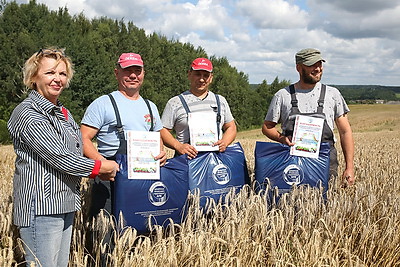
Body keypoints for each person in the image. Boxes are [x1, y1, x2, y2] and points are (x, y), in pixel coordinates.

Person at [7, 47, 118, 267]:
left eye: (62, 74)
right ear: (33, 77)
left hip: (64, 202)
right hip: (40, 207)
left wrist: (99, 168)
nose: (57, 79)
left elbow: (75, 149)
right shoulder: (28, 113)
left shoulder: (62, 112)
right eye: (50, 73)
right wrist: (100, 167)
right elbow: (61, 157)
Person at [80, 52, 166, 218]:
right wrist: (102, 164)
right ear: (116, 72)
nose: (133, 75)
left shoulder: (151, 106)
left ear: (143, 73)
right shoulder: (102, 104)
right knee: (105, 232)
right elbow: (83, 138)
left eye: (137, 71)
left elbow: (157, 137)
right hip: (111, 178)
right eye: (127, 70)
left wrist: (161, 153)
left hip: (144, 178)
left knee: (140, 228)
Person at [262, 48, 355, 187]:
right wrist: (281, 138)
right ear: (299, 68)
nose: (318, 69)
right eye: (312, 65)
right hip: (292, 165)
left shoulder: (333, 94)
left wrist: (349, 167)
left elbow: (345, 131)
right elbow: (267, 127)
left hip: (325, 164)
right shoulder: (283, 95)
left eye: (320, 64)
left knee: (325, 205)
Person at [161, 58, 237, 159]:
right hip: (186, 161)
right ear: (189, 74)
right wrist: (178, 146)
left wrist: (225, 142)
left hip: (215, 159)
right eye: (197, 74)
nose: (201, 79)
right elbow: (163, 131)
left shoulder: (220, 101)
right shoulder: (175, 102)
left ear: (211, 78)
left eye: (206, 75)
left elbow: (231, 127)